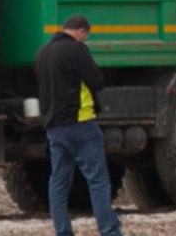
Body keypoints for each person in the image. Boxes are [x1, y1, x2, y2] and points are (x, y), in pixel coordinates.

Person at [34, 14, 122, 236]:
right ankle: (109, 231)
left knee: (58, 183)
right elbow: (96, 80)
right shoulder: (76, 50)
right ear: (81, 31)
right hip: (80, 124)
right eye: (85, 37)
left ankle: (63, 231)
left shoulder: (42, 52)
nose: (84, 41)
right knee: (98, 180)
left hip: (54, 127)